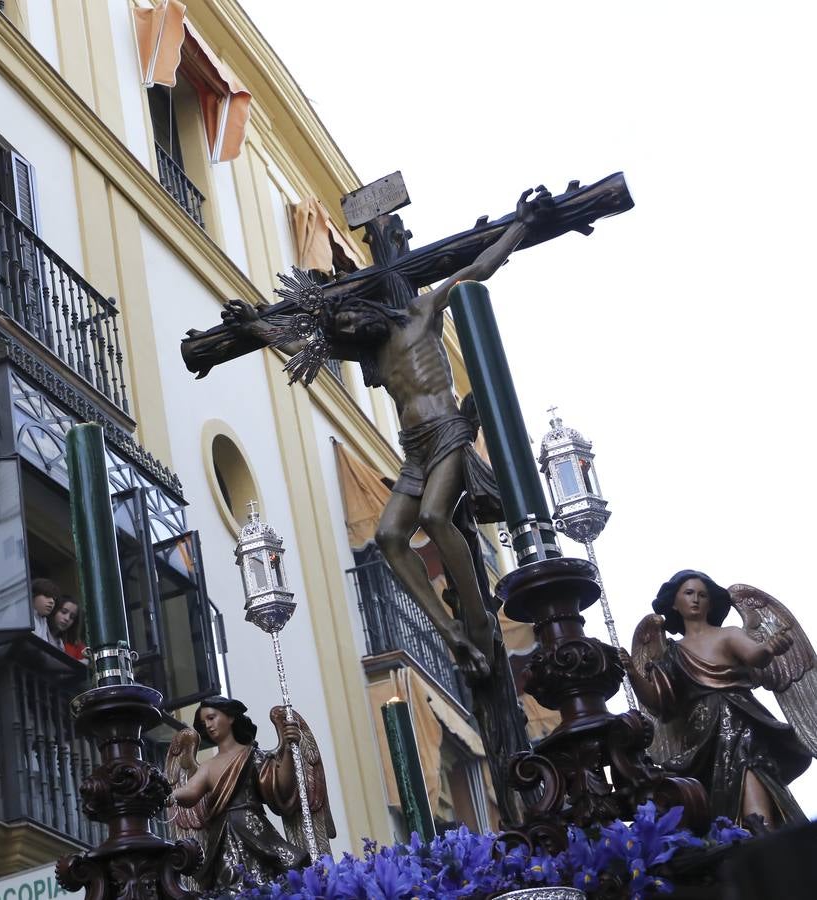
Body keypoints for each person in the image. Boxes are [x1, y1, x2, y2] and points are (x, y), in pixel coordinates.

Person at [185, 189, 554, 678]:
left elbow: (475, 270)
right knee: (388, 537)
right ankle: (451, 631)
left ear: (372, 307)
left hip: (446, 430)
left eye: (353, 315)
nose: (351, 324)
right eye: (344, 324)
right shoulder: (372, 353)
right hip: (415, 448)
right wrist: (255, 327)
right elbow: (298, 342)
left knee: (435, 517)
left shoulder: (421, 314)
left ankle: (479, 621)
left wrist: (520, 227)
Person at [620, 570, 813, 829]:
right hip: (701, 736)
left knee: (748, 764)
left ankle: (761, 829)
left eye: (702, 595)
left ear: (711, 602)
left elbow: (755, 655)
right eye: (688, 593)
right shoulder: (671, 653)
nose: (696, 599)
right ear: (674, 603)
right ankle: (735, 837)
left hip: (742, 718)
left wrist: (768, 648)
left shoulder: (728, 634)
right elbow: (659, 703)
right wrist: (632, 673)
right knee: (712, 792)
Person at [167, 697, 312, 892]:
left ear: (230, 717)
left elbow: (282, 789)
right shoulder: (208, 766)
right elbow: (191, 792)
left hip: (256, 832)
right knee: (232, 886)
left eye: (212, 717)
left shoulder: (252, 755)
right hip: (224, 837)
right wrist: (171, 794)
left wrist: (288, 747)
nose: (209, 725)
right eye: (204, 723)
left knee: (270, 885)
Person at [49, 595, 85, 659]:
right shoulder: (40, 629)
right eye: (64, 612)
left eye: (72, 617)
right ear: (54, 610)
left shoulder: (62, 644)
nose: (67, 618)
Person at [30, 577, 59, 643]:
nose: (52, 601)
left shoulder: (43, 620)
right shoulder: (24, 618)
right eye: (47, 595)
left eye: (54, 599)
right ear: (33, 596)